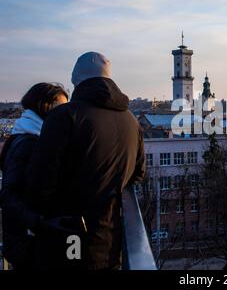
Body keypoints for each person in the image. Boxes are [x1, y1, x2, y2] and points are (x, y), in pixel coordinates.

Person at [26, 52, 145, 270]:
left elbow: (39, 185)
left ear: (76, 82)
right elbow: (138, 174)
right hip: (109, 241)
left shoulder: (64, 117)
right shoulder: (131, 121)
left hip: (67, 239)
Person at [0, 83, 69, 269]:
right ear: (44, 107)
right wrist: (41, 223)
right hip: (27, 244)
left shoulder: (28, 135)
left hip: (27, 242)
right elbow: (8, 195)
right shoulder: (29, 143)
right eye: (60, 107)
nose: (66, 113)